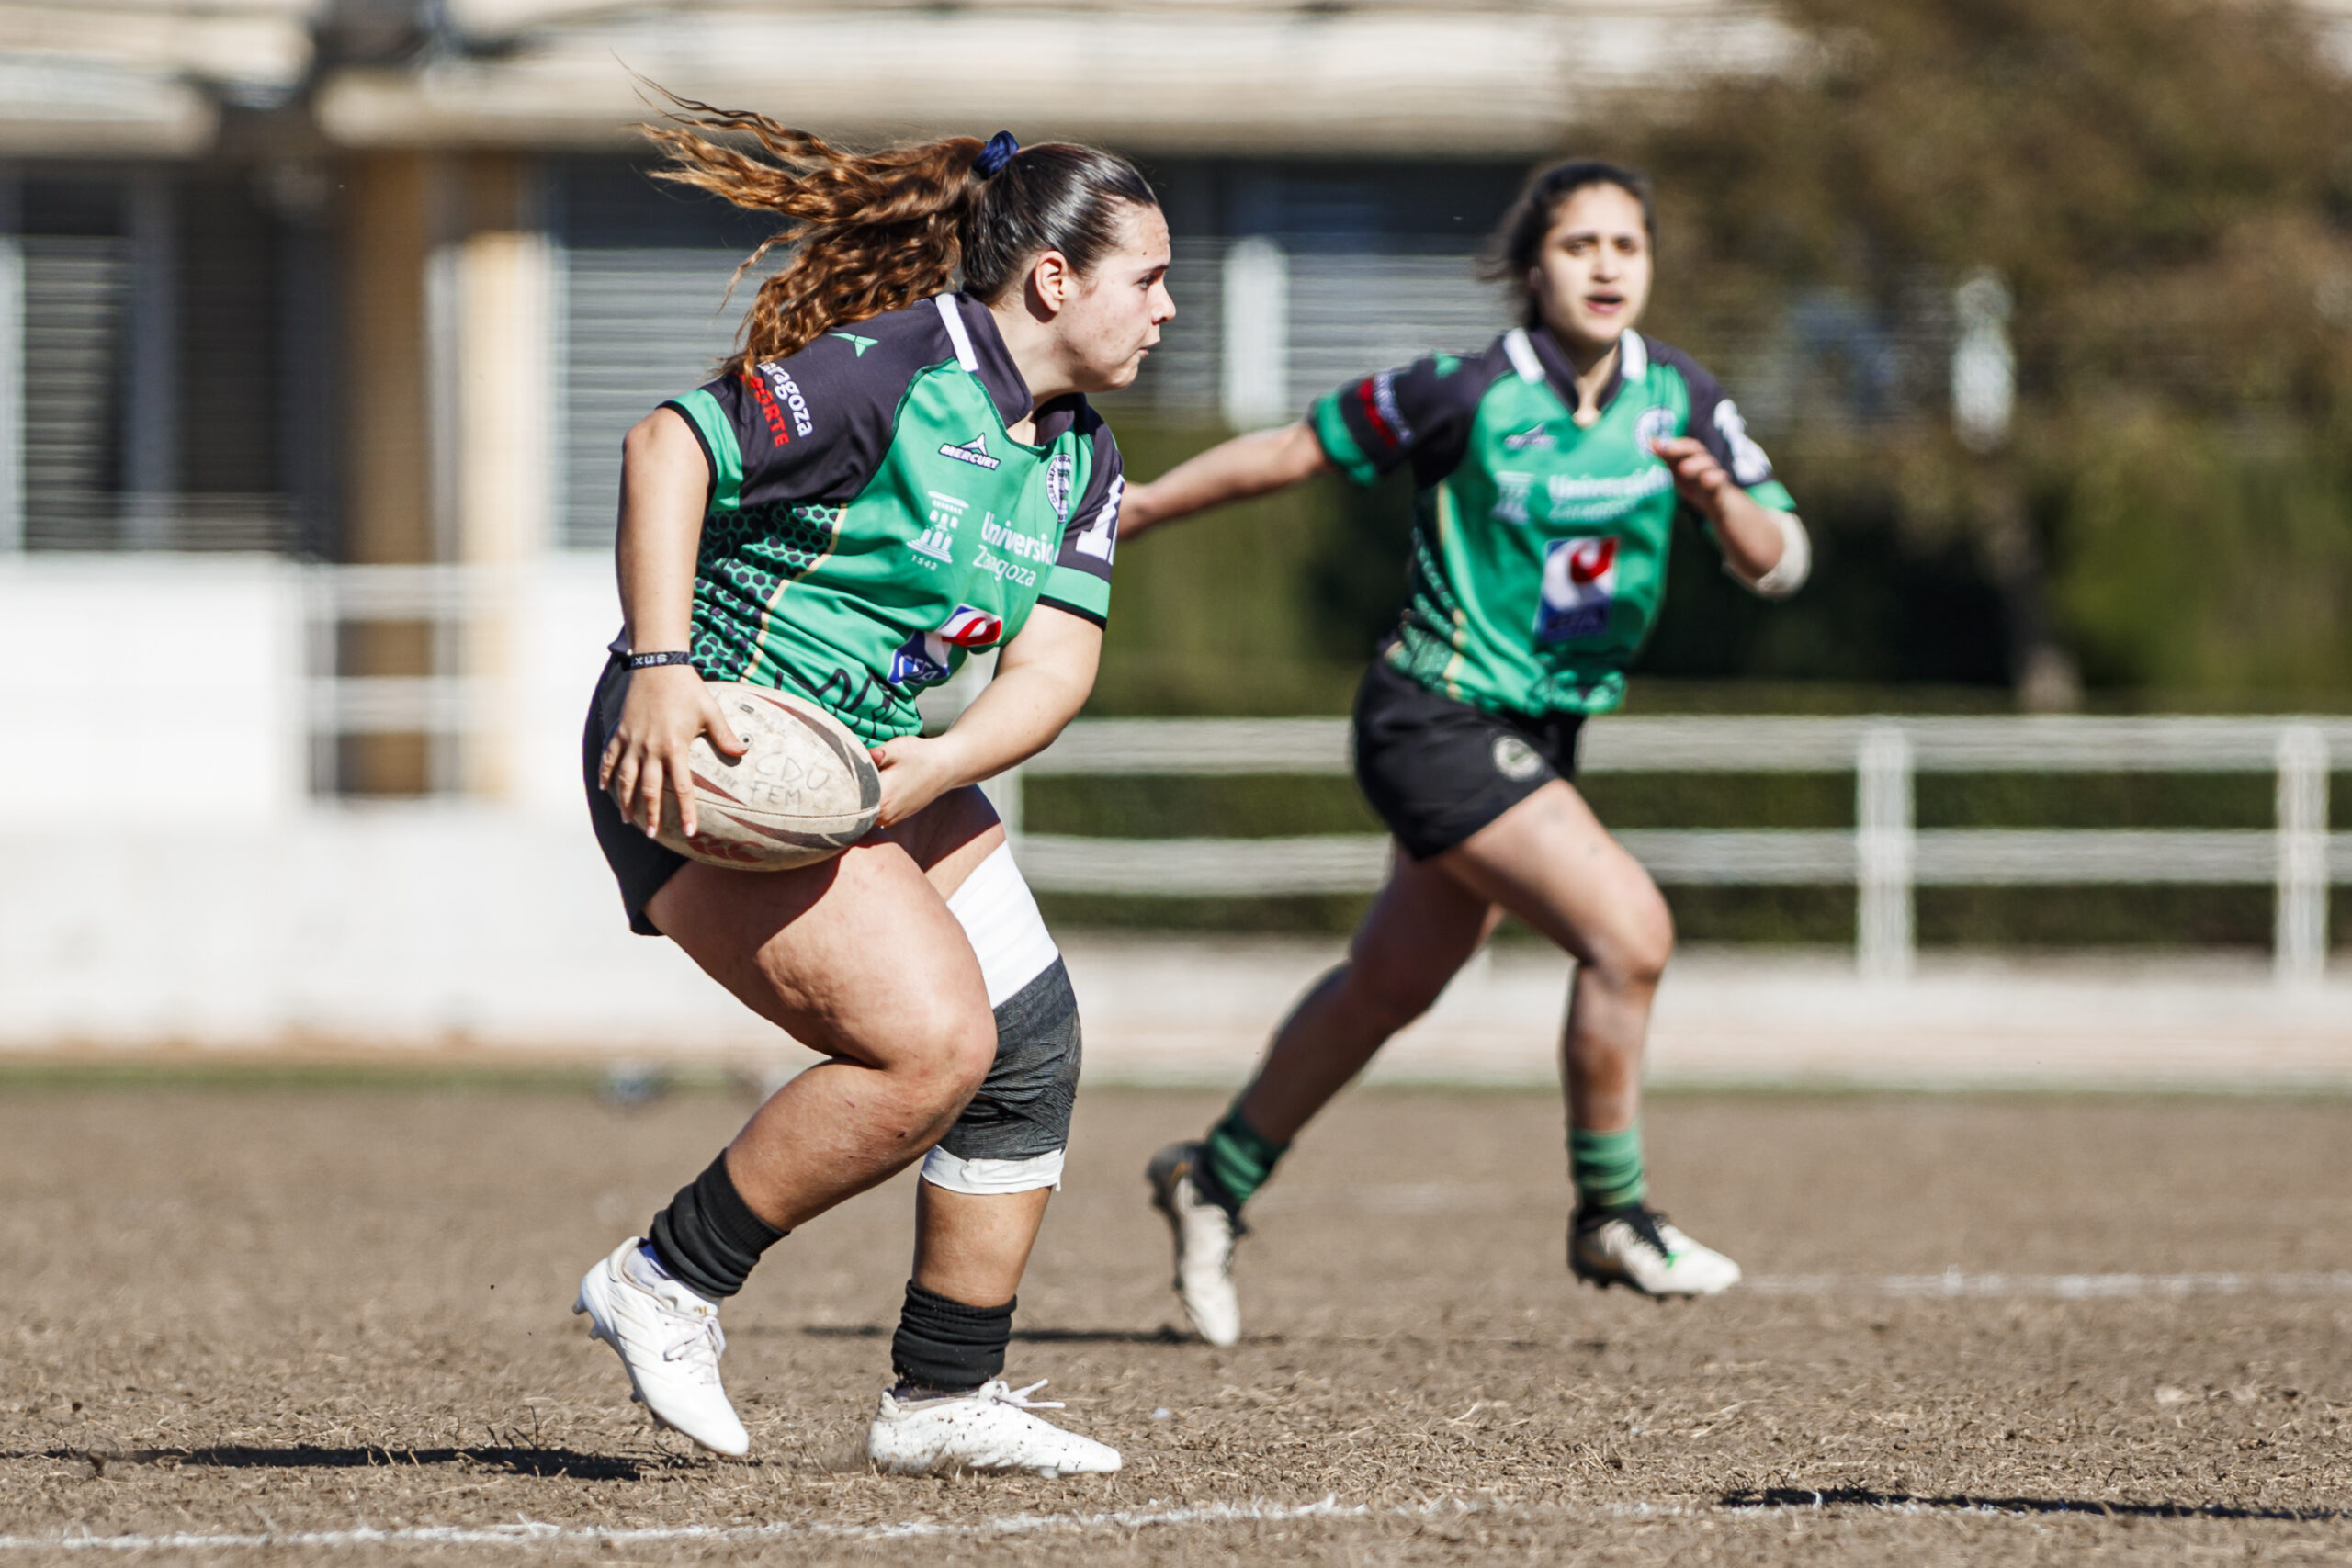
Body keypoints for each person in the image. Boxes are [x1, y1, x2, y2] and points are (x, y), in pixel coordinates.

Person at [571, 106, 1171, 1473]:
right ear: (1056, 280)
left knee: (1031, 1044)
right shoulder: (896, 371)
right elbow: (667, 445)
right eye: (1147, 277)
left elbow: (1055, 662)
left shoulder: (1081, 455)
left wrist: (948, 761)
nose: (1167, 307)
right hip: (714, 741)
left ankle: (942, 1398)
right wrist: (660, 666)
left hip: (867, 755)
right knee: (934, 1046)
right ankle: (664, 1281)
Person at [1124, 160, 1809, 1347]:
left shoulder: (1681, 396)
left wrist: (1718, 502)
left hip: (1538, 733)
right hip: (1434, 718)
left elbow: (1780, 559)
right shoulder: (1462, 391)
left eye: (1627, 246)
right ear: (1532, 266)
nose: (1606, 266)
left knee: (1393, 984)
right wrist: (1133, 509)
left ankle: (1212, 1178)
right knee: (1631, 934)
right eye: (1579, 245)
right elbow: (1292, 450)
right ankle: (1611, 1214)